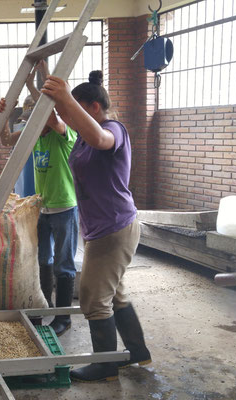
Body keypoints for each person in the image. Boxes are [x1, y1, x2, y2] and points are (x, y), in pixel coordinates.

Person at [41, 71, 151, 382]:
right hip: (100, 228)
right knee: (114, 294)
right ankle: (136, 352)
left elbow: (101, 139)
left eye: (70, 110)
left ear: (92, 108)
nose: (65, 117)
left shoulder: (113, 129)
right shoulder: (83, 137)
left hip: (114, 229)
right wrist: (48, 97)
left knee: (92, 297)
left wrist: (65, 100)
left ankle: (105, 365)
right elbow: (79, 132)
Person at [0, 61, 78, 337]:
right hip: (43, 209)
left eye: (37, 119)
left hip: (64, 207)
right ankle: (45, 310)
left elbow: (53, 116)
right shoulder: (34, 138)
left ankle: (63, 318)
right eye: (30, 120)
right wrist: (5, 112)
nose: (34, 125)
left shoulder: (64, 135)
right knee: (44, 259)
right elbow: (6, 140)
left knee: (64, 263)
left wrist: (42, 77)